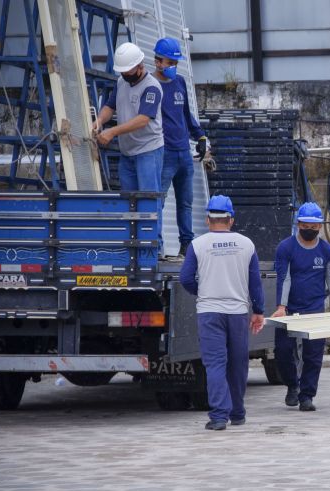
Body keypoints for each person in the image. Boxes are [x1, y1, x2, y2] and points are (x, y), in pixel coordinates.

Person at [180, 195, 265, 430]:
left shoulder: (197, 245)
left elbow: (185, 278)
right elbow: (255, 283)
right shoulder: (246, 244)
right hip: (237, 312)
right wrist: (258, 311)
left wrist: (202, 290)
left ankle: (218, 417)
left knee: (215, 364)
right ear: (231, 220)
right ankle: (237, 413)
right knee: (238, 363)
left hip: (209, 312)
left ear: (208, 219)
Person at [271, 202, 330, 411]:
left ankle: (307, 395)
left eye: (314, 226)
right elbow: (285, 279)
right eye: (305, 225)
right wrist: (282, 306)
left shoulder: (326, 250)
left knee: (313, 355)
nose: (309, 229)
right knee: (282, 352)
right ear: (298, 223)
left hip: (315, 309)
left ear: (320, 226)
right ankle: (292, 385)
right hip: (290, 310)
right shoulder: (286, 248)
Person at [94, 42, 165, 255]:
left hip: (148, 150)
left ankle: (154, 249)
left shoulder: (152, 87)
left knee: (149, 201)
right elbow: (109, 106)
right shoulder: (121, 82)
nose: (125, 74)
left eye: (128, 71)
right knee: (130, 201)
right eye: (122, 71)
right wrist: (99, 121)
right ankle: (133, 248)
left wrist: (112, 132)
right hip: (128, 152)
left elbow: (143, 119)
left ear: (140, 66)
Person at [151, 37, 210, 258]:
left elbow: (185, 114)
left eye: (175, 63)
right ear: (158, 62)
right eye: (170, 63)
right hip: (163, 152)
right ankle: (157, 246)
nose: (173, 67)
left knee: (185, 202)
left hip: (183, 152)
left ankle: (187, 245)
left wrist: (200, 136)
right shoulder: (150, 84)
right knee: (159, 201)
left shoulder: (180, 82)